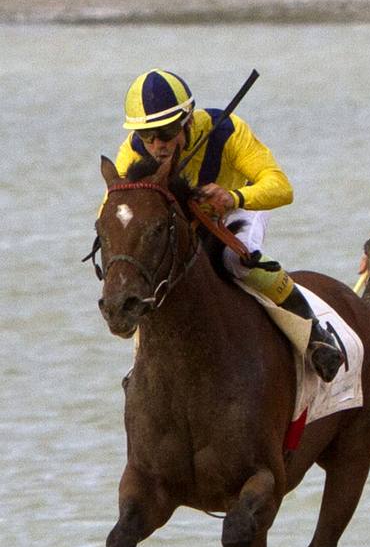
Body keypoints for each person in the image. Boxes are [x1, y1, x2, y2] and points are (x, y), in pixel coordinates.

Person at [114, 68, 344, 381]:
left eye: (167, 133)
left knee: (235, 260)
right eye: (148, 136)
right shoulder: (132, 152)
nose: (158, 146)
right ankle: (141, 365)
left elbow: (281, 187)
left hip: (239, 208)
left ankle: (316, 336)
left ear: (189, 121)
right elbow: (114, 207)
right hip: (186, 223)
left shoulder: (228, 132)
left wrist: (234, 197)